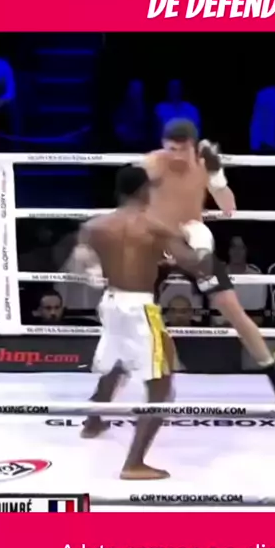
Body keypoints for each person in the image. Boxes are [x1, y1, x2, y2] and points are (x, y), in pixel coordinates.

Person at [143, 119, 275, 402]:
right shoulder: (153, 163)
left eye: (181, 150)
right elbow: (132, 203)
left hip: (193, 246)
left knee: (232, 309)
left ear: (193, 146)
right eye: (171, 149)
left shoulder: (205, 165)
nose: (176, 156)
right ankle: (147, 380)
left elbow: (228, 208)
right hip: (157, 244)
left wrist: (217, 176)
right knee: (132, 307)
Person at [71, 164, 205, 480]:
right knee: (161, 386)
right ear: (146, 190)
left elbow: (81, 265)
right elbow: (194, 265)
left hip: (110, 302)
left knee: (116, 361)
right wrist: (201, 243)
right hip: (140, 308)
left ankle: (93, 422)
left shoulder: (94, 226)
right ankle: (134, 463)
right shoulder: (157, 226)